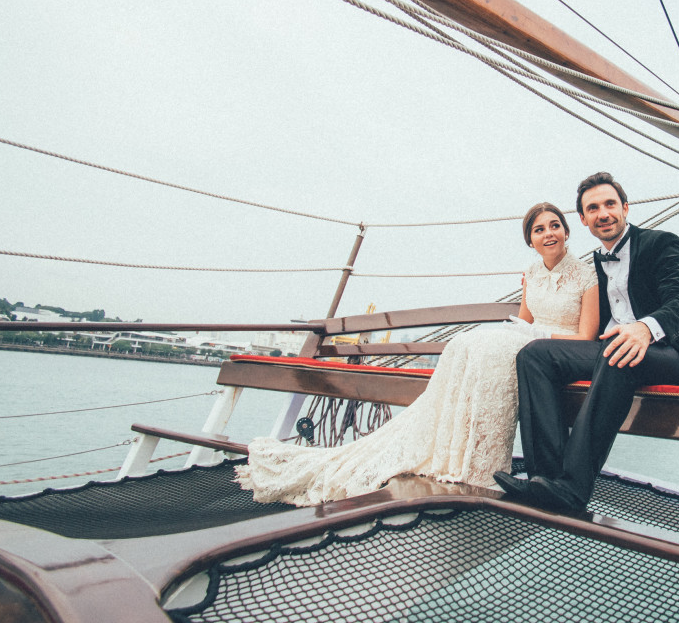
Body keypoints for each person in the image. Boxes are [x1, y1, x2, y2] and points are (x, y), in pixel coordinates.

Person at [237, 202, 599, 506]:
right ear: (530, 240)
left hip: (557, 348)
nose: (548, 233)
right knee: (465, 344)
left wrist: (536, 333)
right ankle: (455, 452)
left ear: (567, 232)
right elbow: (523, 320)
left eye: (555, 226)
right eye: (539, 229)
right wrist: (523, 330)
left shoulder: (587, 276)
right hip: (527, 340)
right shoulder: (531, 273)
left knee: (485, 350)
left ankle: (478, 462)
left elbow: (586, 335)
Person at [495, 172, 679, 512]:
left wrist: (645, 329)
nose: (603, 213)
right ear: (584, 219)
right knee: (535, 356)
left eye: (609, 204)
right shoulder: (594, 265)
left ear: (625, 208)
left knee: (617, 351)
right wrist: (540, 283)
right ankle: (543, 479)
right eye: (593, 208)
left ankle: (573, 489)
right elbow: (576, 305)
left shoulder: (662, 243)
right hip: (618, 351)